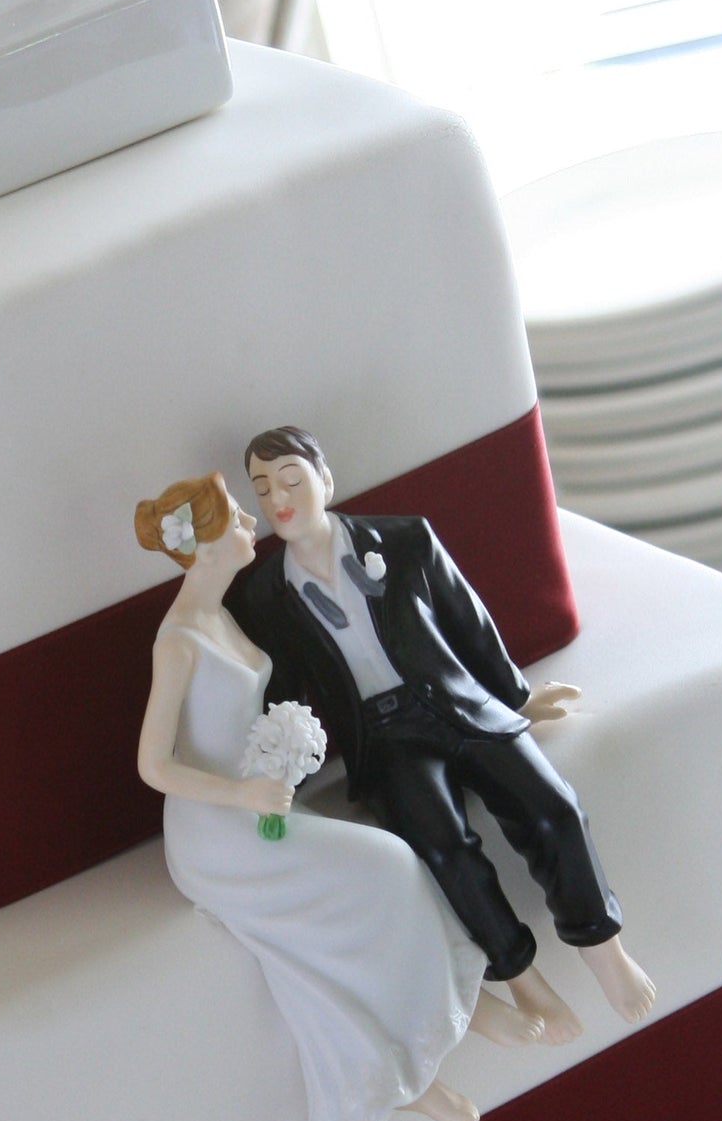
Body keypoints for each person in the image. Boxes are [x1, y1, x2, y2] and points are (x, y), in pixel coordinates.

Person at [227, 425, 656, 1035]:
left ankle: (603, 949)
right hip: (383, 739)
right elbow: (286, 690)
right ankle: (523, 981)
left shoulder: (404, 539)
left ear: (324, 479)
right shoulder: (266, 594)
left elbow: (468, 620)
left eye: (292, 480)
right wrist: (282, 768)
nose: (279, 500)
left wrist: (515, 697)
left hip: (457, 702)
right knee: (443, 849)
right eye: (263, 489)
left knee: (552, 807)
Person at [135, 470, 493, 1121]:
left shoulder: (223, 616)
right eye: (237, 518)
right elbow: (153, 765)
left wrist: (283, 755)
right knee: (384, 869)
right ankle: (396, 1070)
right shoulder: (176, 641)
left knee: (391, 865)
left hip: (260, 804)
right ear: (203, 545)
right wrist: (241, 798)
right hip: (217, 835)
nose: (251, 524)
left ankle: (428, 1035)